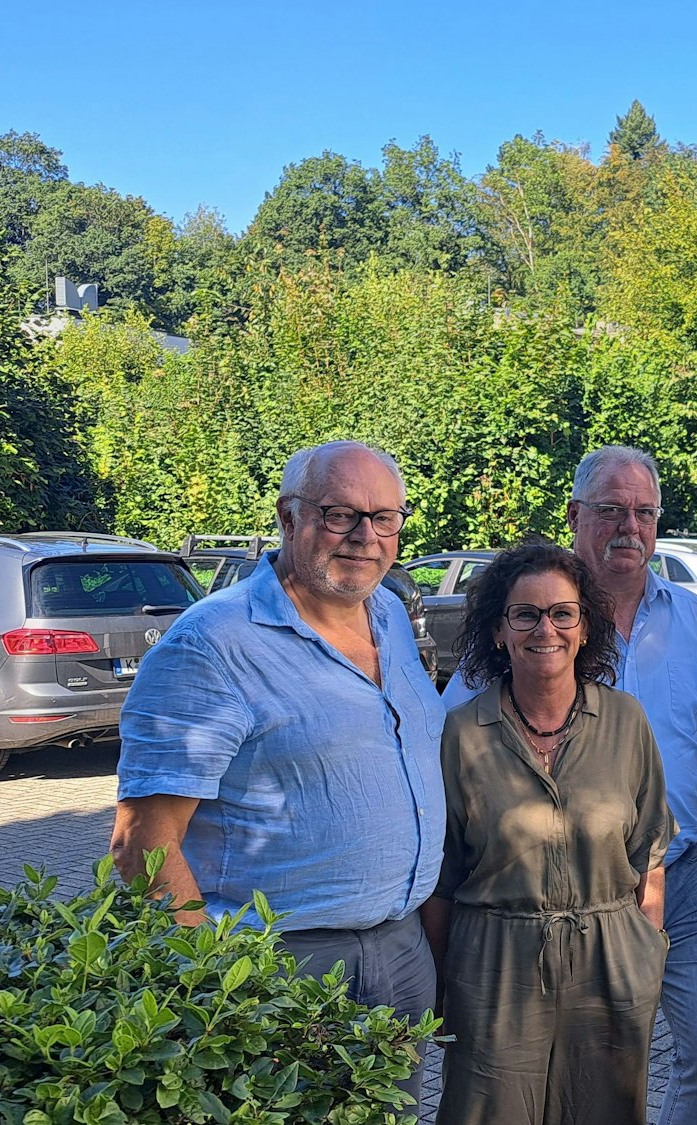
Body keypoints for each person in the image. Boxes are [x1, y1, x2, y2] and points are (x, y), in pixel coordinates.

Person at [438, 445, 697, 1125]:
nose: (630, 525)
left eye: (644, 511)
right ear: (574, 514)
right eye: (612, 509)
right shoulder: (520, 623)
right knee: (569, 1075)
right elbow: (450, 765)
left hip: (678, 874)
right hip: (539, 897)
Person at [112, 439, 445, 1104]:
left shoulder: (389, 617)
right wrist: (218, 985)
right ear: (288, 516)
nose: (364, 536)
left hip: (400, 952)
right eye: (339, 513)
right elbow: (141, 844)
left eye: (385, 518)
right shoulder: (212, 643)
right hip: (283, 963)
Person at [425, 538, 673, 1123]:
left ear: (585, 627)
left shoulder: (626, 720)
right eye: (525, 614)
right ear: (497, 630)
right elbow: (440, 880)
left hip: (609, 961)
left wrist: (645, 955)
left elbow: (650, 852)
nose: (546, 629)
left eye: (562, 613)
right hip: (495, 964)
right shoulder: (459, 734)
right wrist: (445, 988)